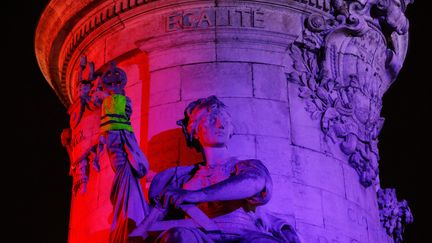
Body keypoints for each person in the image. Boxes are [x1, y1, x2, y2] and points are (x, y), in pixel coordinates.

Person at [146, 96, 301, 242]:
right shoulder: (182, 178)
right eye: (212, 119)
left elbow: (254, 183)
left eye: (226, 121)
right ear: (195, 130)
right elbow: (150, 222)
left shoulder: (246, 167)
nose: (220, 124)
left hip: (243, 235)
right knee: (177, 236)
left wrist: (194, 195)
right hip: (198, 236)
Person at [94, 62, 150, 243]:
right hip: (123, 163)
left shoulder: (121, 133)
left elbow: (117, 131)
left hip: (124, 164)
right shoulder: (117, 130)